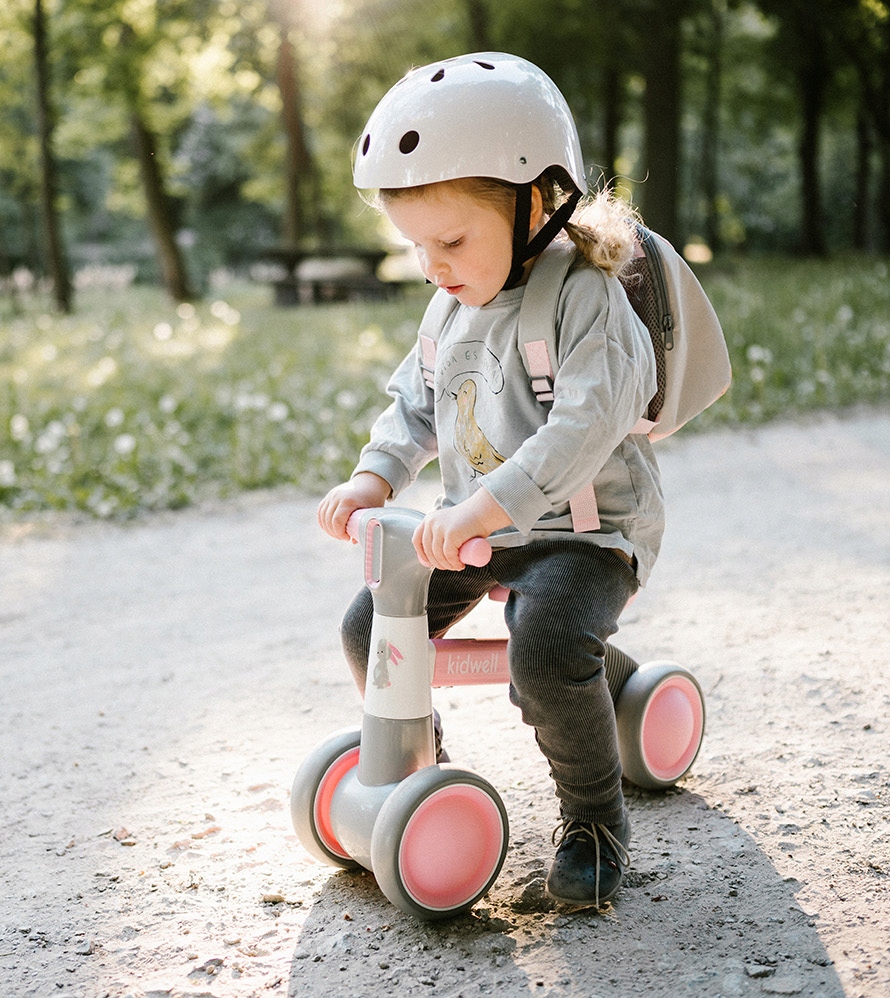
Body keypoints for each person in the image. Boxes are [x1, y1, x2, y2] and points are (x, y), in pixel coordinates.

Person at [316, 52, 662, 909]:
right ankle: (414, 769)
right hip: (478, 530)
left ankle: (594, 821)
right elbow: (415, 405)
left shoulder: (586, 299)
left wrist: (486, 504)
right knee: (371, 626)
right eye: (416, 246)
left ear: (536, 204)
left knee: (542, 650)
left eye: (451, 241)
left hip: (584, 535)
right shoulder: (452, 306)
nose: (433, 266)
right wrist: (373, 479)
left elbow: (584, 428)